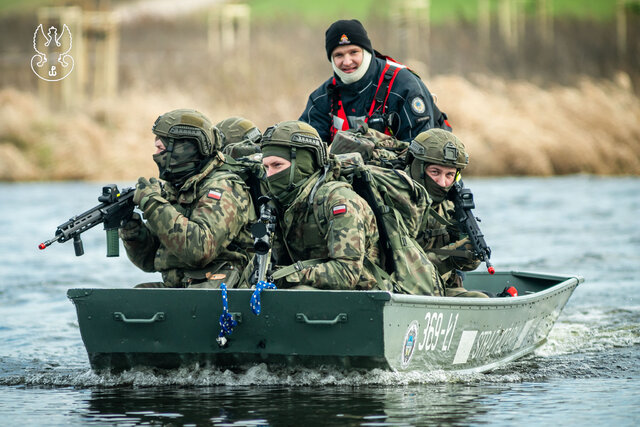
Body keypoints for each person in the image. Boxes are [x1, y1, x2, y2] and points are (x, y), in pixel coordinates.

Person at [119, 108, 255, 288]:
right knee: (131, 301)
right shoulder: (177, 187)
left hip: (223, 291)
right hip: (183, 289)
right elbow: (151, 260)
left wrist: (153, 204)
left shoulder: (224, 187)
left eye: (162, 148)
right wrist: (133, 234)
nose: (156, 154)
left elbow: (199, 250)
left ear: (185, 149)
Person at [258, 120, 385, 290]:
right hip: (317, 300)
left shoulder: (339, 201)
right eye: (266, 167)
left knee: (300, 291)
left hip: (362, 298)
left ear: (303, 164)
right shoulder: (281, 202)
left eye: (277, 165)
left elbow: (346, 273)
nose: (270, 175)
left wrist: (282, 277)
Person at [300, 19, 450, 144]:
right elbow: (307, 150)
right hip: (351, 176)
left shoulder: (404, 86)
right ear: (331, 59)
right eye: (338, 55)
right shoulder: (321, 98)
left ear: (366, 52)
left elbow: (423, 147)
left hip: (429, 172)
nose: (347, 61)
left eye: (353, 52)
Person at [406, 128, 488, 298]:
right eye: (435, 172)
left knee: (480, 300)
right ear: (418, 168)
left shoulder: (450, 204)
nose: (442, 183)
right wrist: (452, 256)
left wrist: (468, 253)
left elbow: (465, 266)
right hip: (403, 290)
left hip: (440, 287)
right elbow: (403, 271)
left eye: (450, 175)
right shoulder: (396, 202)